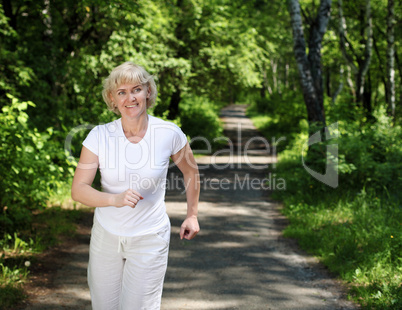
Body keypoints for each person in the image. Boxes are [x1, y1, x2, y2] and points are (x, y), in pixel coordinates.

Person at [71, 61, 200, 310]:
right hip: (106, 237)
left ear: (148, 92)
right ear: (113, 98)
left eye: (136, 90)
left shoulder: (169, 133)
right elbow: (79, 190)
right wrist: (114, 199)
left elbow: (191, 172)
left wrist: (192, 215)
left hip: (149, 237)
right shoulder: (98, 136)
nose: (130, 98)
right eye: (122, 92)